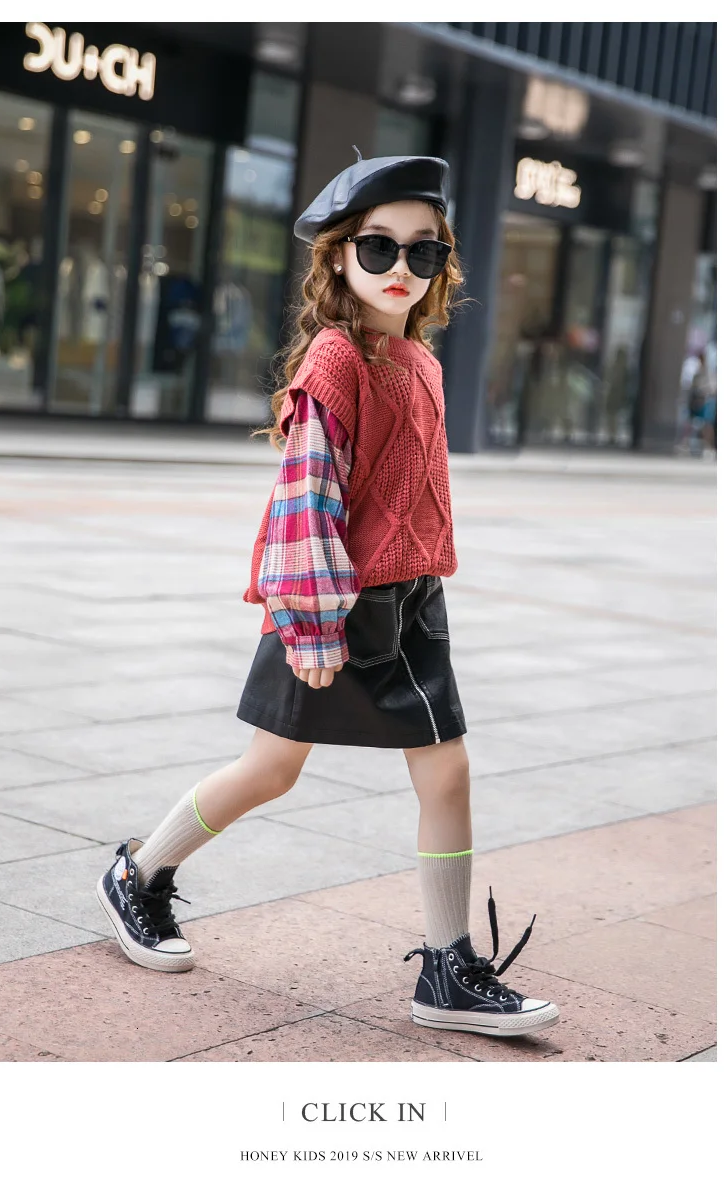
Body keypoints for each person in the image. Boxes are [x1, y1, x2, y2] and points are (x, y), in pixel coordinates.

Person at [96, 149, 560, 1040]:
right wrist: (313, 627)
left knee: (447, 769)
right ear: (340, 256)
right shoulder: (337, 358)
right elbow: (307, 500)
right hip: (333, 601)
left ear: (442, 264)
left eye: (423, 251)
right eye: (378, 247)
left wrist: (423, 577)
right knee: (271, 770)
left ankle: (448, 967)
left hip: (411, 601)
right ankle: (138, 873)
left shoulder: (420, 363)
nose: (400, 268)